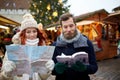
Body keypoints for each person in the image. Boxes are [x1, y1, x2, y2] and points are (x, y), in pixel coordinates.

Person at [0, 13, 54, 80]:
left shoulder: (42, 48)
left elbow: (44, 78)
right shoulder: (13, 49)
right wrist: (7, 72)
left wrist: (46, 70)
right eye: (28, 32)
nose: (32, 35)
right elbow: (2, 78)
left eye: (34, 31)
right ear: (23, 34)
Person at [52, 13, 98, 80]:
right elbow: (51, 70)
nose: (69, 30)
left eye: (71, 26)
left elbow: (94, 67)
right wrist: (56, 69)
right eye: (65, 27)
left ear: (75, 25)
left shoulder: (87, 43)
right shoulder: (55, 45)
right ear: (61, 28)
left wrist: (85, 68)